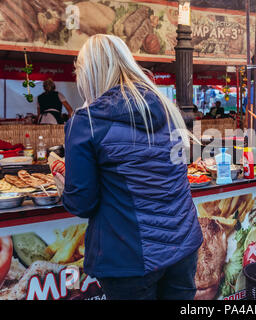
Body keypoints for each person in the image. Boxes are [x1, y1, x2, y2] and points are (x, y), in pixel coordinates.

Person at [56, 34, 203, 300]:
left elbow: (82, 203)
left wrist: (63, 186)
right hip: (184, 245)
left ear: (88, 73)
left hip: (130, 258)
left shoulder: (86, 123)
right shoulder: (168, 108)